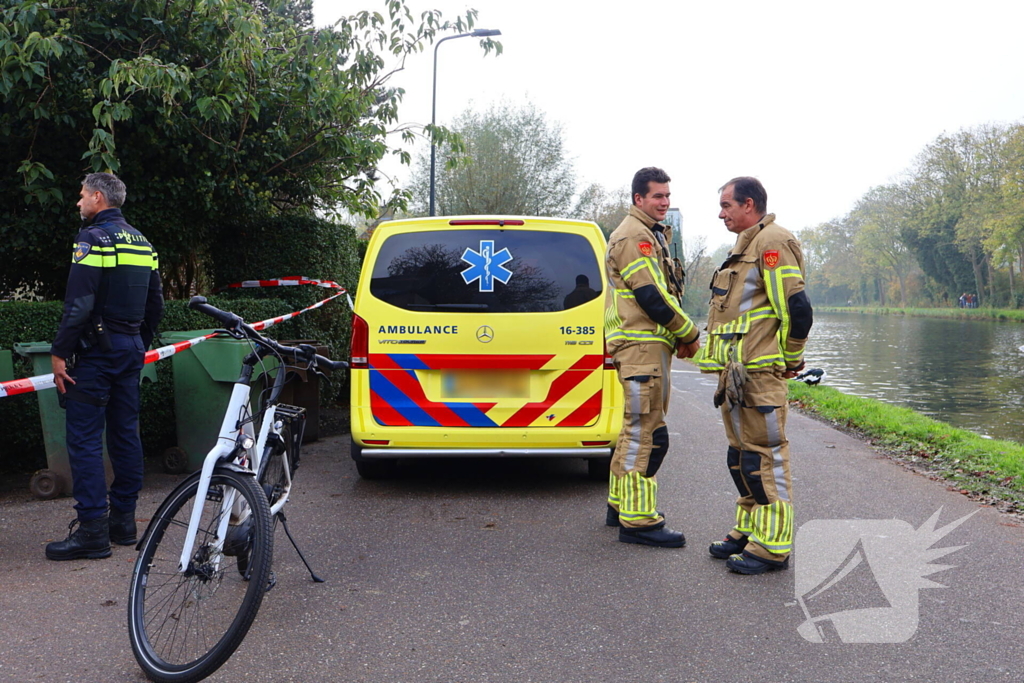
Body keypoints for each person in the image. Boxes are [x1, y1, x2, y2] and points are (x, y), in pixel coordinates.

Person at [696, 176, 812, 574]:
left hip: (760, 374)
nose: (721, 212)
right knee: (741, 458)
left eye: (727, 205)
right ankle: (748, 529)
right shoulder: (744, 246)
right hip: (735, 376)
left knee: (766, 459)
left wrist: (791, 357)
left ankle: (773, 546)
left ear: (749, 205)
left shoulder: (773, 242)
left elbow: (796, 307)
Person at [45, 172, 163, 561]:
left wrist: (60, 353)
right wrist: (137, 343)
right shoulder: (144, 242)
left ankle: (92, 532)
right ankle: (123, 524)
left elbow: (79, 303)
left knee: (83, 439)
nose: (78, 203)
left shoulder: (92, 239)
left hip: (95, 352)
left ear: (99, 197)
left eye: (81, 196)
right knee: (126, 433)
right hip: (129, 347)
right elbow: (155, 306)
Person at [604, 167, 700, 547]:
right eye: (657, 196)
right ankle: (639, 521)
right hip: (642, 346)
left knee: (635, 430)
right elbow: (651, 296)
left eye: (667, 195)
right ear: (638, 199)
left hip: (646, 346)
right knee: (649, 435)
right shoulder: (633, 236)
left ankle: (619, 505)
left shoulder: (648, 233)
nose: (665, 202)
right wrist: (689, 333)